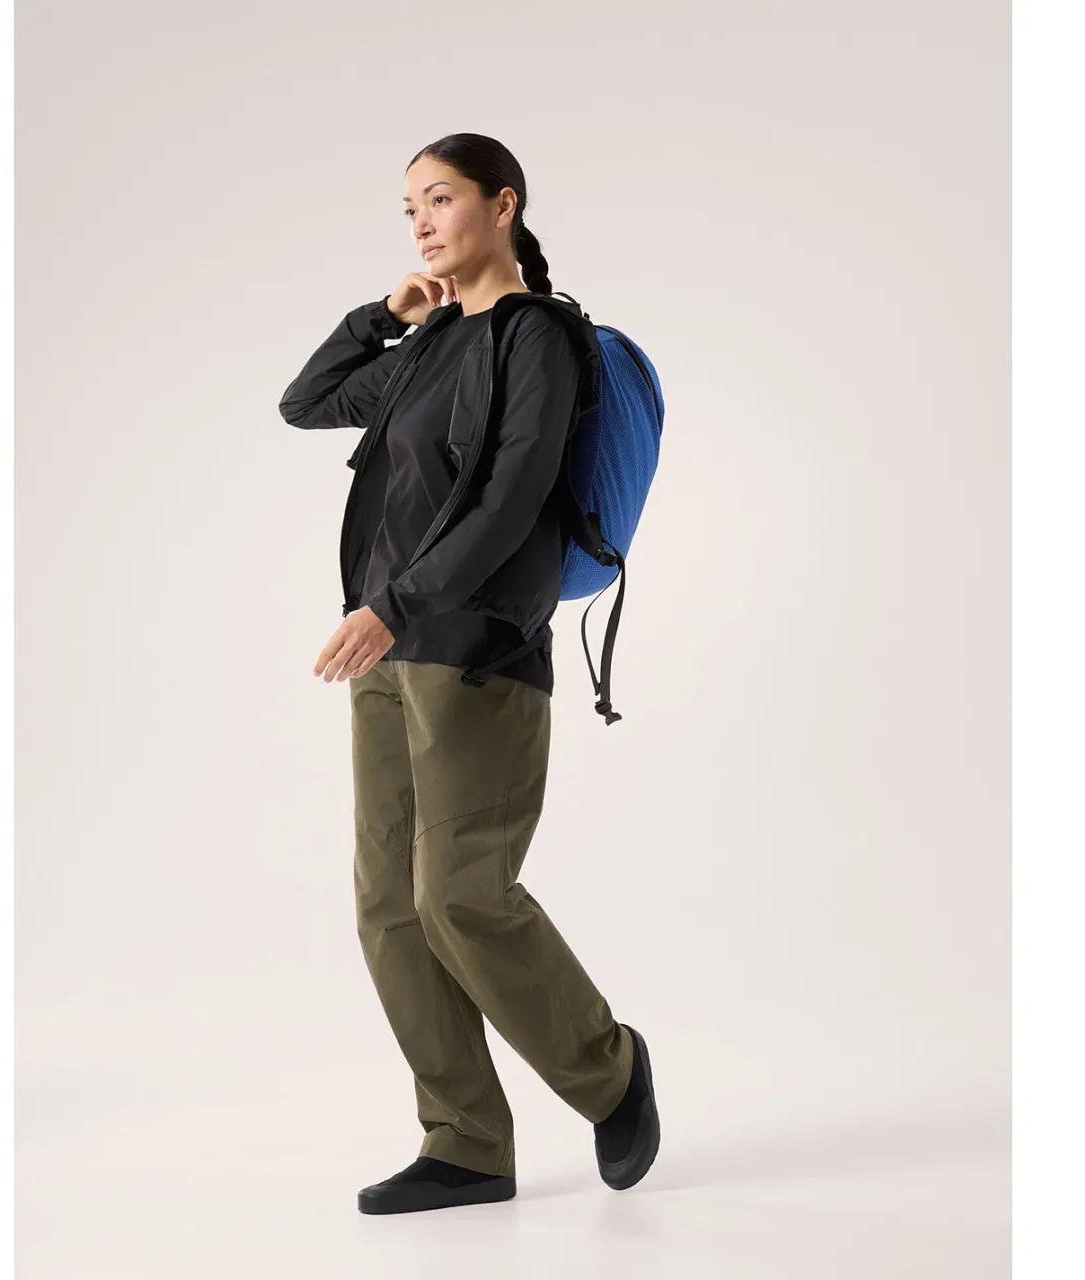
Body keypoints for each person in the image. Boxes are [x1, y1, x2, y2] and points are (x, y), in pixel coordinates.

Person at [278, 133, 659, 1215]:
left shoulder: (537, 336)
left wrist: (392, 604)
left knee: (459, 893)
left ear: (503, 204)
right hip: (386, 646)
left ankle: (610, 1070)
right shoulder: (430, 341)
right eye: (409, 208)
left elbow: (510, 497)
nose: (422, 222)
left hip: (478, 645)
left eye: (440, 199)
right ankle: (467, 1144)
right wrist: (384, 315)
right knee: (389, 905)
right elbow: (306, 403)